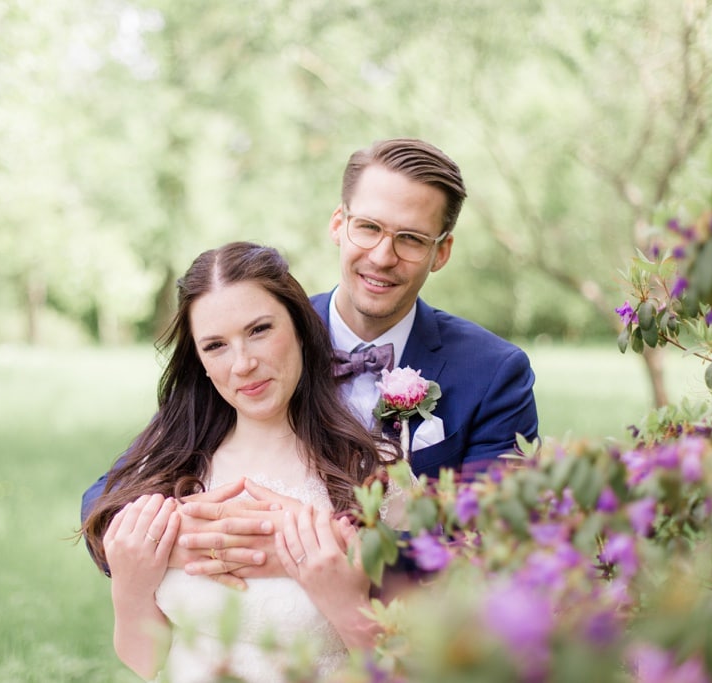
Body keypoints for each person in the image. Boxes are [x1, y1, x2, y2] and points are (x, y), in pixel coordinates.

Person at [81, 138, 538, 579]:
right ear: (339, 223)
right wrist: (188, 547)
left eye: (411, 239)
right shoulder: (260, 337)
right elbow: (107, 494)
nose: (382, 256)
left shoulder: (494, 373)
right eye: (369, 227)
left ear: (441, 252)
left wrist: (319, 557)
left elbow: (496, 550)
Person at [80, 242, 398, 682]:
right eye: (216, 346)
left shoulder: (372, 471)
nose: (243, 364)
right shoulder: (169, 467)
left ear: (301, 328)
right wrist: (130, 588)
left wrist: (347, 606)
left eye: (260, 330)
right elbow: (145, 661)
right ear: (200, 361)